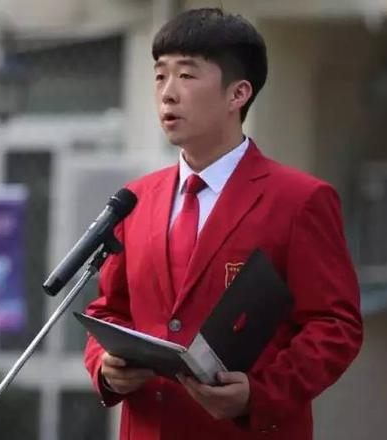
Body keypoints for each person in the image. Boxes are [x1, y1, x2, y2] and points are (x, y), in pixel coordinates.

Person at [83, 8, 363, 440]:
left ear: (238, 94)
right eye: (160, 76)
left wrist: (260, 392)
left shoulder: (299, 201)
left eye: (187, 76)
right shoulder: (135, 200)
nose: (167, 93)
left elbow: (335, 326)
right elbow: (111, 308)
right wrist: (105, 364)